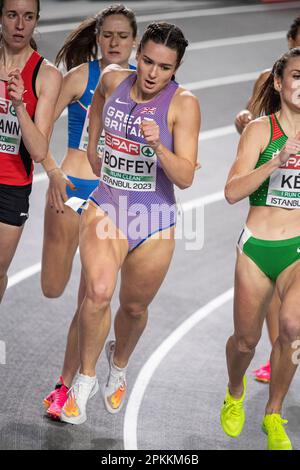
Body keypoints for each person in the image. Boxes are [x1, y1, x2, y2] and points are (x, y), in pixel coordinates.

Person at [58, 22, 200, 425]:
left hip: (154, 215)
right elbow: (99, 103)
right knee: (99, 292)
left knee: (134, 307)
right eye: (148, 61)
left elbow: (186, 177)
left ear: (178, 68)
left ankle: (117, 365)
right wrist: (93, 143)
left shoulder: (183, 104)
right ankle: (83, 381)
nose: (153, 74)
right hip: (108, 204)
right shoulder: (112, 77)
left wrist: (157, 145)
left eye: (165, 67)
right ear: (137, 54)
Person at [42, 4, 137, 420]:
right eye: (108, 35)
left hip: (110, 198)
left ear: (134, 41)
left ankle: (67, 387)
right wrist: (52, 173)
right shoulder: (79, 76)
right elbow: (40, 126)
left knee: (91, 297)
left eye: (123, 36)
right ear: (97, 36)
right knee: (52, 287)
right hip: (72, 186)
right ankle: (72, 382)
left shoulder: (143, 83)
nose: (115, 43)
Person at [221, 47, 300, 450]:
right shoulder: (259, 131)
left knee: (292, 328)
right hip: (256, 249)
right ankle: (235, 392)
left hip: (298, 248)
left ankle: (273, 414)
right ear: (278, 82)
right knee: (246, 342)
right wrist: (276, 163)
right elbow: (232, 192)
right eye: (297, 76)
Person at [234, 15, 300, 383]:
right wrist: (272, 156)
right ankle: (240, 380)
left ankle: (275, 403)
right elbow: (250, 120)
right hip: (261, 222)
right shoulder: (268, 81)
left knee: (292, 321)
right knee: (245, 339)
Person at [0, 0, 61, 303]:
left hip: (11, 187)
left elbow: (38, 151)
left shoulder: (46, 75)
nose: (20, 25)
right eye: (12, 15)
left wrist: (20, 107)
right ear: (2, 17)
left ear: (37, 20)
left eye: (28, 17)